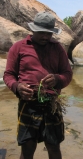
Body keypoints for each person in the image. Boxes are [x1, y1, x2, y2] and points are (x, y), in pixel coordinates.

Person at [3, 11, 73, 159]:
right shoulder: (18, 47)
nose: (45, 37)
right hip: (28, 105)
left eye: (49, 33)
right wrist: (17, 87)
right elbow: (8, 75)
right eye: (41, 33)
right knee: (27, 148)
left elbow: (67, 74)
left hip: (51, 105)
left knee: (54, 146)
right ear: (33, 29)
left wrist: (57, 79)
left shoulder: (58, 48)